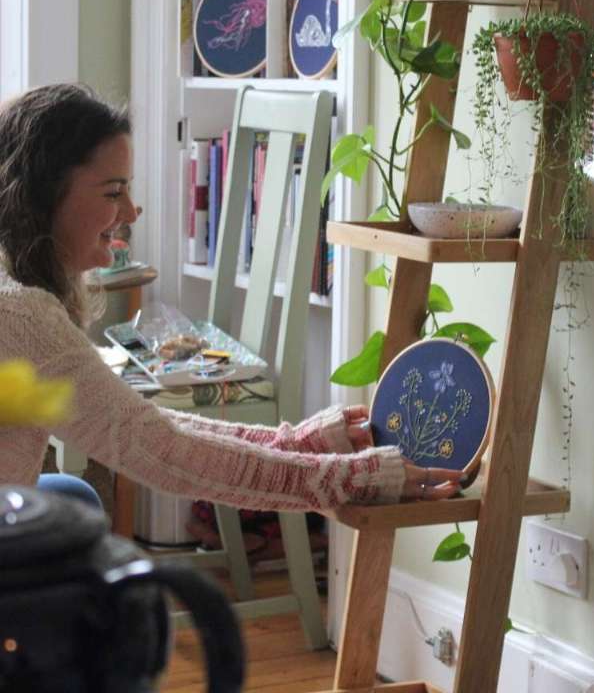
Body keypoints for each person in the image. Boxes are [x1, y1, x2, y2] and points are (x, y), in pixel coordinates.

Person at [0, 83, 463, 510]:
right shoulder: (21, 317)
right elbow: (160, 449)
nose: (130, 211)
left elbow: (145, 426)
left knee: (73, 498)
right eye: (113, 191)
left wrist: (296, 444)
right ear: (45, 196)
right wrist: (351, 479)